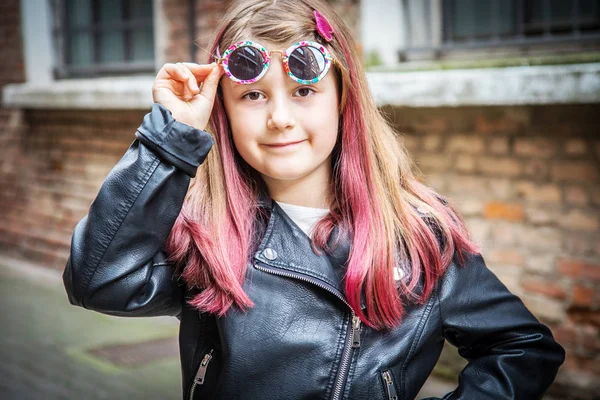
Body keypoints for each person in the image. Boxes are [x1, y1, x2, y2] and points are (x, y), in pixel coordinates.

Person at [62, 0, 565, 399]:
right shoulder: (208, 233)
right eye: (253, 95)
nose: (279, 117)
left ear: (343, 101)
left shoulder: (417, 233)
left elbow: (523, 348)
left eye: (304, 91)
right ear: (224, 112)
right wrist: (170, 138)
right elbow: (98, 281)